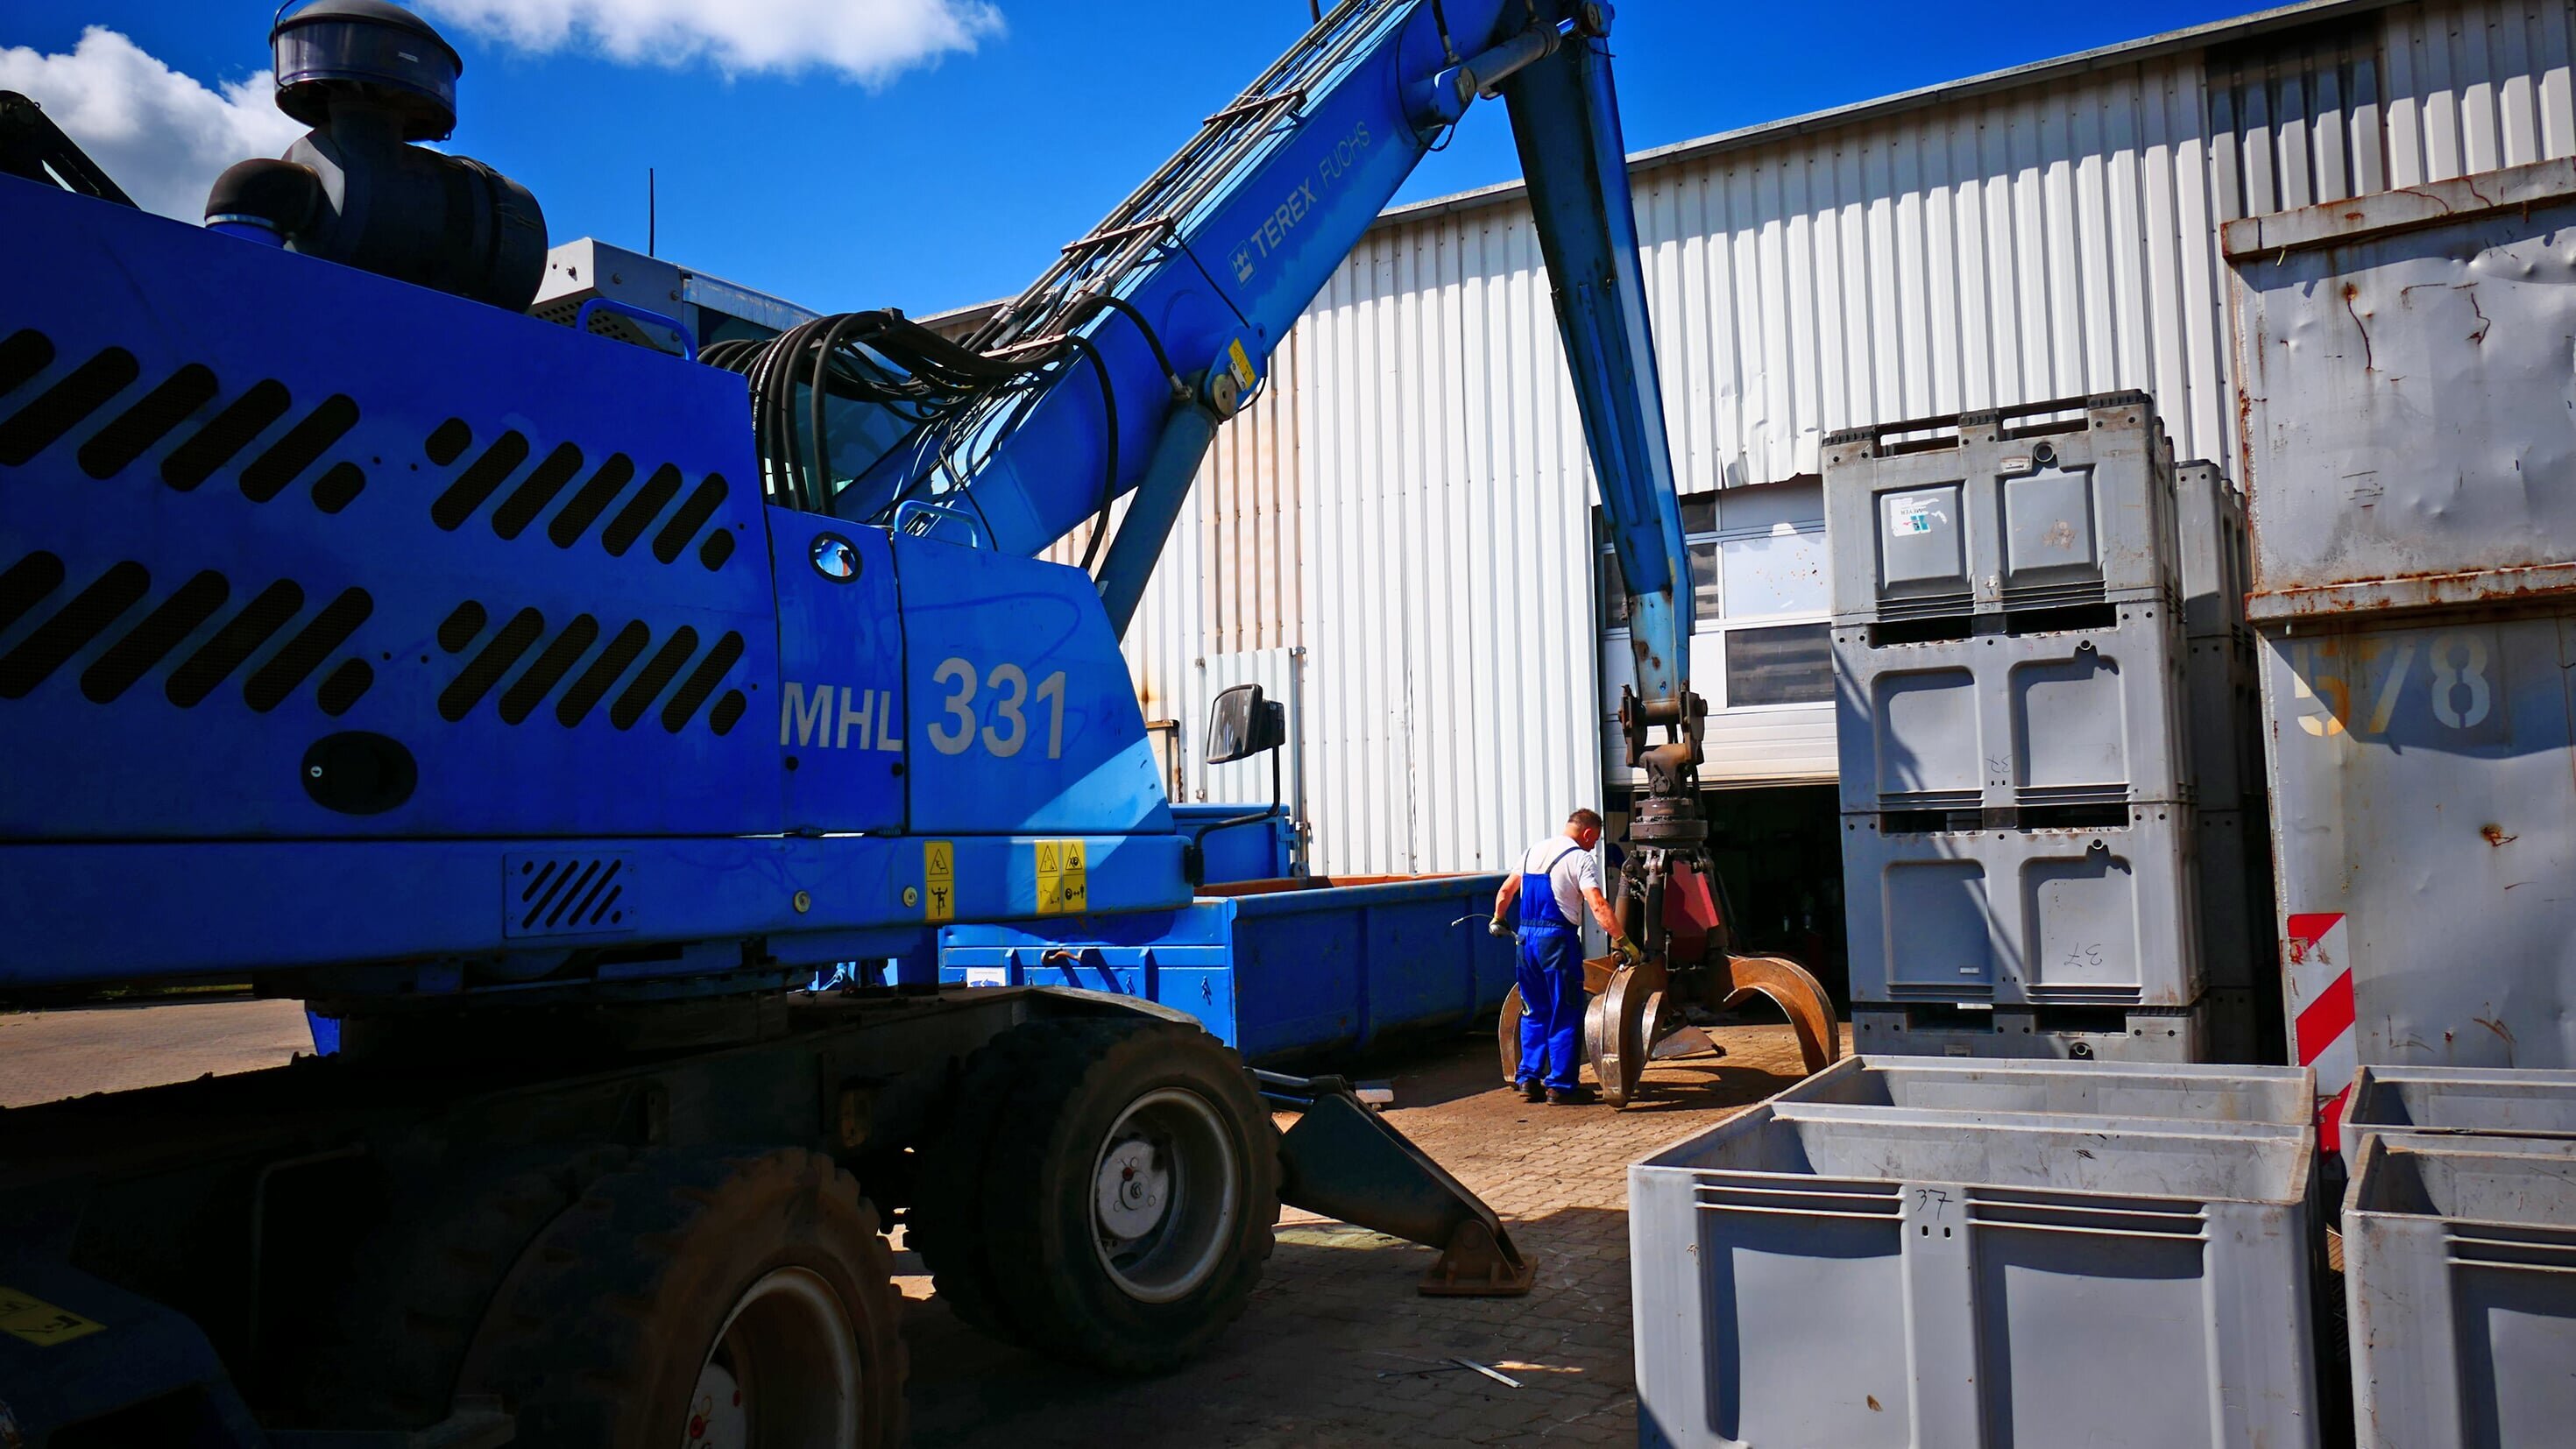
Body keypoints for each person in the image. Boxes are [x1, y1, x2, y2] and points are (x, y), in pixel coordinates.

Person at [1490, 808, 1639, 1106]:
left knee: (1533, 1009)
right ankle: (1560, 1086)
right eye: (1594, 840)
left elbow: (1506, 890)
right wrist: (1623, 941)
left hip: (1525, 940)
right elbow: (1597, 905)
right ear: (1587, 834)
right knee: (1565, 1009)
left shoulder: (1533, 851)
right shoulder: (1580, 858)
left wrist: (1498, 919)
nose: (1593, 846)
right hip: (1556, 941)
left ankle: (1529, 1079)